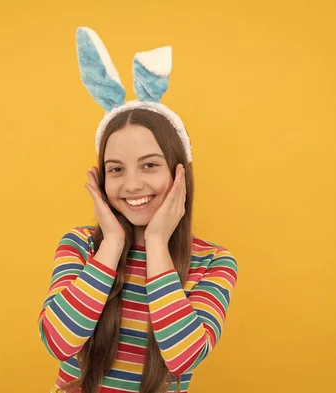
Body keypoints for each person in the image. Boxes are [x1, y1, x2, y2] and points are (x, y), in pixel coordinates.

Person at [38, 27, 238, 393]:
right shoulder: (80, 247)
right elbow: (58, 342)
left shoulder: (214, 262)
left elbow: (183, 356)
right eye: (116, 169)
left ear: (180, 172)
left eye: (149, 165)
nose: (131, 185)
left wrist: (158, 243)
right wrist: (112, 243)